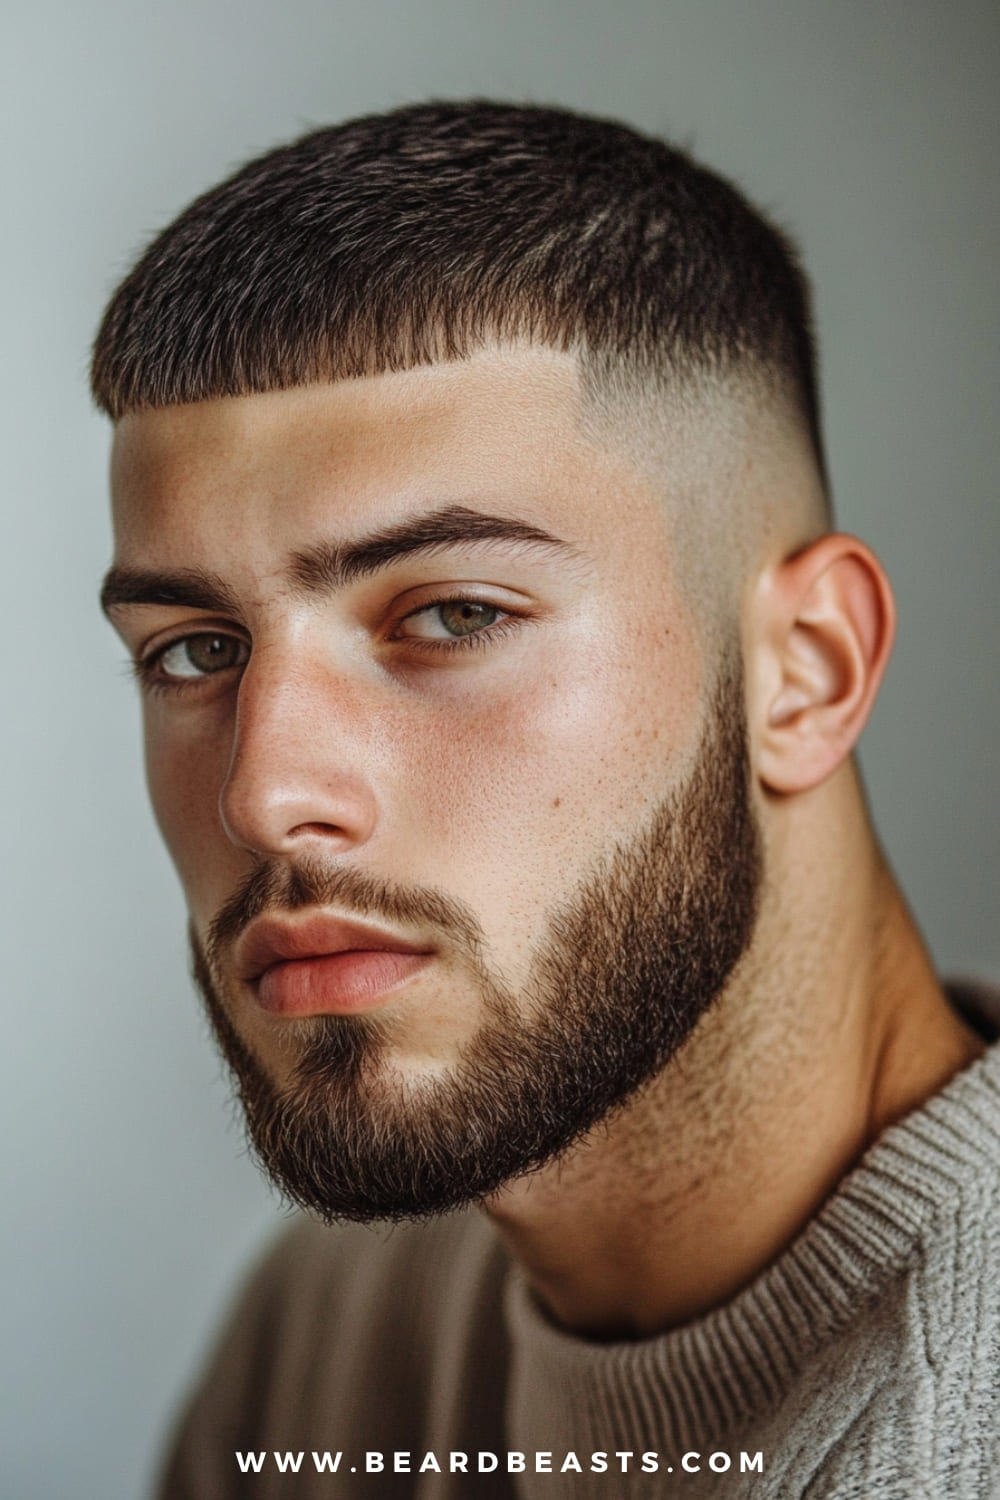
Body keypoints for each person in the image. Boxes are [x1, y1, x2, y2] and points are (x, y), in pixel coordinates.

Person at [94, 101, 998, 1497]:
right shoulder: (330, 1340)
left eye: (453, 615)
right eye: (196, 652)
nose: (265, 796)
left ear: (806, 674)